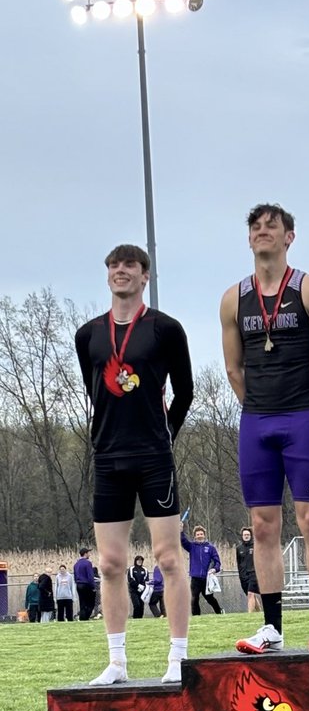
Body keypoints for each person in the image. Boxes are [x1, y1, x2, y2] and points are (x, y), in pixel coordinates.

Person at [220, 202, 309, 654]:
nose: (263, 232)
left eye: (272, 226)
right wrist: (257, 407)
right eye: (255, 226)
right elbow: (234, 369)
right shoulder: (233, 298)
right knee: (263, 524)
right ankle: (271, 626)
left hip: (303, 417)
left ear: (289, 236)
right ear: (248, 238)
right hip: (256, 422)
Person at [75, 242, 194, 685]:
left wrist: (165, 436)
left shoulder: (165, 329)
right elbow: (96, 392)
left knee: (167, 557)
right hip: (108, 458)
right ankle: (117, 663)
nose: (121, 271)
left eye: (130, 265)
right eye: (114, 265)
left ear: (145, 276)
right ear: (107, 274)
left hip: (153, 457)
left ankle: (177, 657)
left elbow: (185, 392)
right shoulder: (88, 335)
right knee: (109, 563)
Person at [181, 524, 223, 615]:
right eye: (198, 534)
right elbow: (183, 541)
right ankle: (197, 617)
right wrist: (180, 531)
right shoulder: (192, 546)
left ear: (204, 535)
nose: (199, 536)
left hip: (206, 578)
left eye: (201, 534)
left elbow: (217, 562)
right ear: (195, 536)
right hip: (195, 578)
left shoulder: (211, 548)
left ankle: (219, 612)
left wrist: (214, 569)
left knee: (209, 598)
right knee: (194, 598)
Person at [236, 526, 262, 613]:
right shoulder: (239, 548)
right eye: (244, 535)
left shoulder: (256, 546)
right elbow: (239, 562)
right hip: (243, 575)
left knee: (251, 593)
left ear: (251, 535)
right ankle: (259, 612)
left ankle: (249, 614)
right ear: (242, 536)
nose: (246, 536)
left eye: (248, 534)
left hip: (254, 574)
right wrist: (241, 574)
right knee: (251, 595)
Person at [74, 547, 96, 620]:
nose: (89, 554)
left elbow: (75, 576)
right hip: (86, 585)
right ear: (85, 554)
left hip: (79, 585)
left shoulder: (76, 564)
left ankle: (82, 618)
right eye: (88, 553)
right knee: (90, 603)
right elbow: (90, 576)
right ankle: (86, 617)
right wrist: (93, 586)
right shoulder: (88, 563)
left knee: (82, 603)